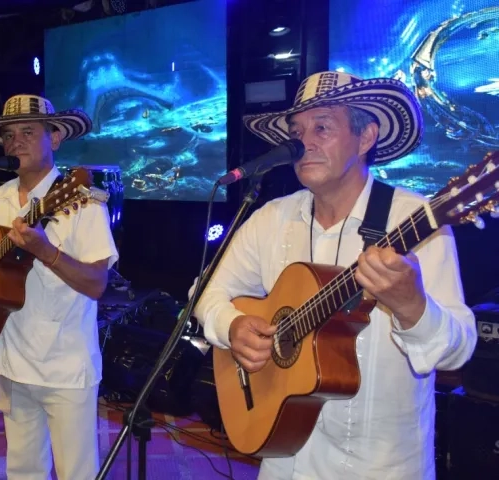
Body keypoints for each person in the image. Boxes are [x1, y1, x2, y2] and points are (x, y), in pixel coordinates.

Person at [192, 71, 477, 479]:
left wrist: (412, 307)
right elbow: (205, 292)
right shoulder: (271, 218)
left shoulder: (415, 220)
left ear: (365, 138)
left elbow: (458, 350)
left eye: (322, 127)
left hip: (379, 469)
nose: (302, 143)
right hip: (282, 460)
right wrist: (231, 324)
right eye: (297, 130)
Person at [0, 94, 118, 479]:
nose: (15, 141)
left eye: (28, 131)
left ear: (55, 139)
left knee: (78, 472)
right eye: (8, 135)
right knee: (23, 470)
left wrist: (45, 250)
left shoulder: (82, 201)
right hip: (13, 361)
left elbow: (96, 284)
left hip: (66, 366)